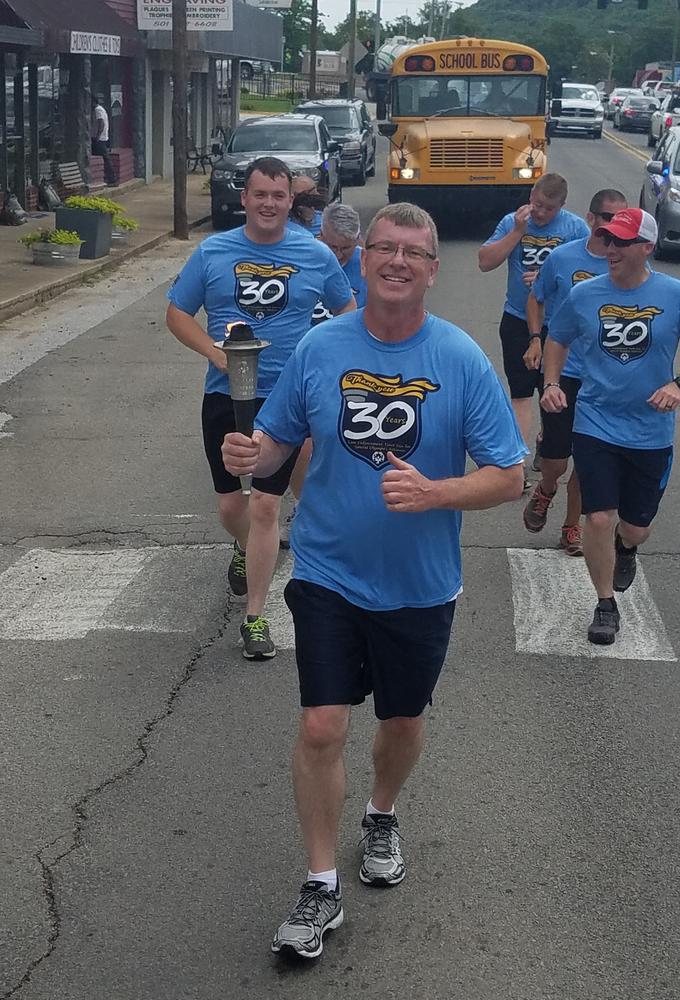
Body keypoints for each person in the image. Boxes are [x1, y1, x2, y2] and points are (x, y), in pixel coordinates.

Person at [221, 202, 527, 960]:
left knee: (401, 721)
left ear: (432, 268)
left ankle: (381, 812)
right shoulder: (321, 348)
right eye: (383, 247)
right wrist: (248, 454)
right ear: (362, 261)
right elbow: (277, 445)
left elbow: (510, 476)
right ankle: (321, 887)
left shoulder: (459, 359)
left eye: (413, 251)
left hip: (421, 584)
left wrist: (436, 493)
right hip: (327, 570)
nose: (396, 260)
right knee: (323, 724)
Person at [166, 156, 355, 660]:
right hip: (224, 396)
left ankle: (255, 617)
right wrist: (214, 354)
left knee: (268, 505)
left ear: (290, 202)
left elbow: (348, 312)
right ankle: (244, 546)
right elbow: (176, 312)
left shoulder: (315, 254)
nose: (269, 204)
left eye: (278, 196)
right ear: (244, 198)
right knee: (232, 505)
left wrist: (321, 363)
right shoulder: (213, 252)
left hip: (287, 401)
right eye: (260, 195)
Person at [541, 208, 680, 645]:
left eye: (621, 242)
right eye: (607, 240)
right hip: (596, 421)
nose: (611, 249)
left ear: (646, 247)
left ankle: (628, 548)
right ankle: (605, 605)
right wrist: (550, 383)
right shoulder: (586, 295)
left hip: (651, 431)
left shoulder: (676, 294)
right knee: (599, 517)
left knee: (635, 526)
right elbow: (558, 337)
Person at [522, 188, 628, 556]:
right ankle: (546, 489)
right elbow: (536, 300)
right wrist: (536, 339)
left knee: (588, 459)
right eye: (609, 220)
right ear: (591, 219)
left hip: (602, 379)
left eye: (622, 221)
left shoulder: (625, 264)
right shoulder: (564, 258)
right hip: (563, 371)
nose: (615, 229)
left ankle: (571, 528)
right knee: (556, 459)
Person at [478, 173, 589, 481]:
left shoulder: (575, 229)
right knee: (521, 392)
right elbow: (485, 261)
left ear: (562, 207)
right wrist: (517, 231)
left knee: (554, 392)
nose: (540, 212)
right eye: (536, 204)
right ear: (530, 196)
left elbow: (587, 272)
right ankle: (518, 464)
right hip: (517, 318)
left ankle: (547, 442)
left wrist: (545, 276)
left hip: (561, 325)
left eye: (548, 208)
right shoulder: (512, 221)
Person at [285, 202, 369, 527]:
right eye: (331, 245)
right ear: (319, 234)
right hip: (305, 369)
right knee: (303, 447)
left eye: (345, 248)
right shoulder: (304, 258)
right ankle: (306, 510)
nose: (338, 254)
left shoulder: (369, 266)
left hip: (354, 372)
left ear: (358, 240)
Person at [92, 95, 116, 187]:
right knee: (104, 158)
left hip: (100, 138)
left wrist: (98, 136)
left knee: (105, 158)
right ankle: (108, 177)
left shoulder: (98, 110)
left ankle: (112, 178)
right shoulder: (101, 109)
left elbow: (101, 123)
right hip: (102, 137)